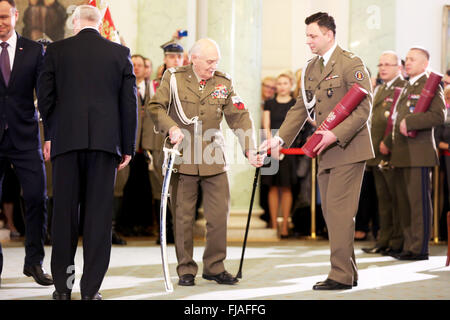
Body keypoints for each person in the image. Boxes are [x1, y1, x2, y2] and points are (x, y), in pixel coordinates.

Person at [260, 12, 373, 290]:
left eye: (312, 35)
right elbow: (300, 108)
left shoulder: (350, 63)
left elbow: (363, 109)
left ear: (329, 35)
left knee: (338, 212)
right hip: (325, 151)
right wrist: (279, 140)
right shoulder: (311, 68)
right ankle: (349, 272)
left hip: (349, 148)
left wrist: (335, 133)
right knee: (334, 213)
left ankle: (340, 275)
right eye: (307, 35)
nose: (307, 40)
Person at [38, 4, 137, 300]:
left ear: (74, 24)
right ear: (99, 24)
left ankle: (63, 289)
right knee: (98, 220)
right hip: (106, 146)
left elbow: (45, 98)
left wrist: (54, 132)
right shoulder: (120, 53)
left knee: (64, 218)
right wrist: (126, 146)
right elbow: (129, 104)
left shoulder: (55, 51)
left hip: (66, 144)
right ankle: (90, 291)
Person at [148, 38, 263, 287]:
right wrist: (171, 128)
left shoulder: (223, 81)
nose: (213, 66)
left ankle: (214, 266)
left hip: (214, 157)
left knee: (219, 216)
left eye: (216, 61)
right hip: (183, 156)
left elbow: (240, 116)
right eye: (209, 61)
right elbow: (156, 106)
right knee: (183, 216)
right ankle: (186, 268)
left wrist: (249, 148)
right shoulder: (174, 78)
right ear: (194, 59)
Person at [0, 0, 52, 287]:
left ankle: (33, 261)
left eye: (5, 16)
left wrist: (50, 136)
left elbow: (45, 97)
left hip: (26, 137)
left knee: (35, 197)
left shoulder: (33, 50)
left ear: (16, 16)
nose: (1, 22)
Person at [382, 47, 445, 261]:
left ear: (425, 63)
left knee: (418, 203)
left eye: (412, 59)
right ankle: (409, 245)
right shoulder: (408, 85)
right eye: (406, 59)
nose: (407, 62)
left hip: (418, 152)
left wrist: (411, 122)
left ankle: (419, 248)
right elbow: (396, 118)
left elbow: (438, 115)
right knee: (405, 203)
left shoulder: (430, 84)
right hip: (401, 152)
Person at [362, 51, 406, 255]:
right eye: (380, 64)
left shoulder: (402, 88)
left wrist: (387, 142)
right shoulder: (379, 89)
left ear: (399, 67)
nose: (383, 68)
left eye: (388, 64)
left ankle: (397, 241)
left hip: (392, 151)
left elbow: (397, 121)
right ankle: (384, 240)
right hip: (376, 153)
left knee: (396, 200)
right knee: (383, 200)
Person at [261, 71, 297, 238]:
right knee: (273, 187)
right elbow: (266, 125)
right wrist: (272, 143)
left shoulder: (295, 103)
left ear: (291, 85)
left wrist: (282, 143)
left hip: (288, 147)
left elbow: (295, 125)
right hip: (272, 148)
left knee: (287, 187)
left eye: (285, 83)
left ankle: (284, 225)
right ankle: (274, 224)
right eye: (279, 83)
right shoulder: (269, 103)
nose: (282, 86)